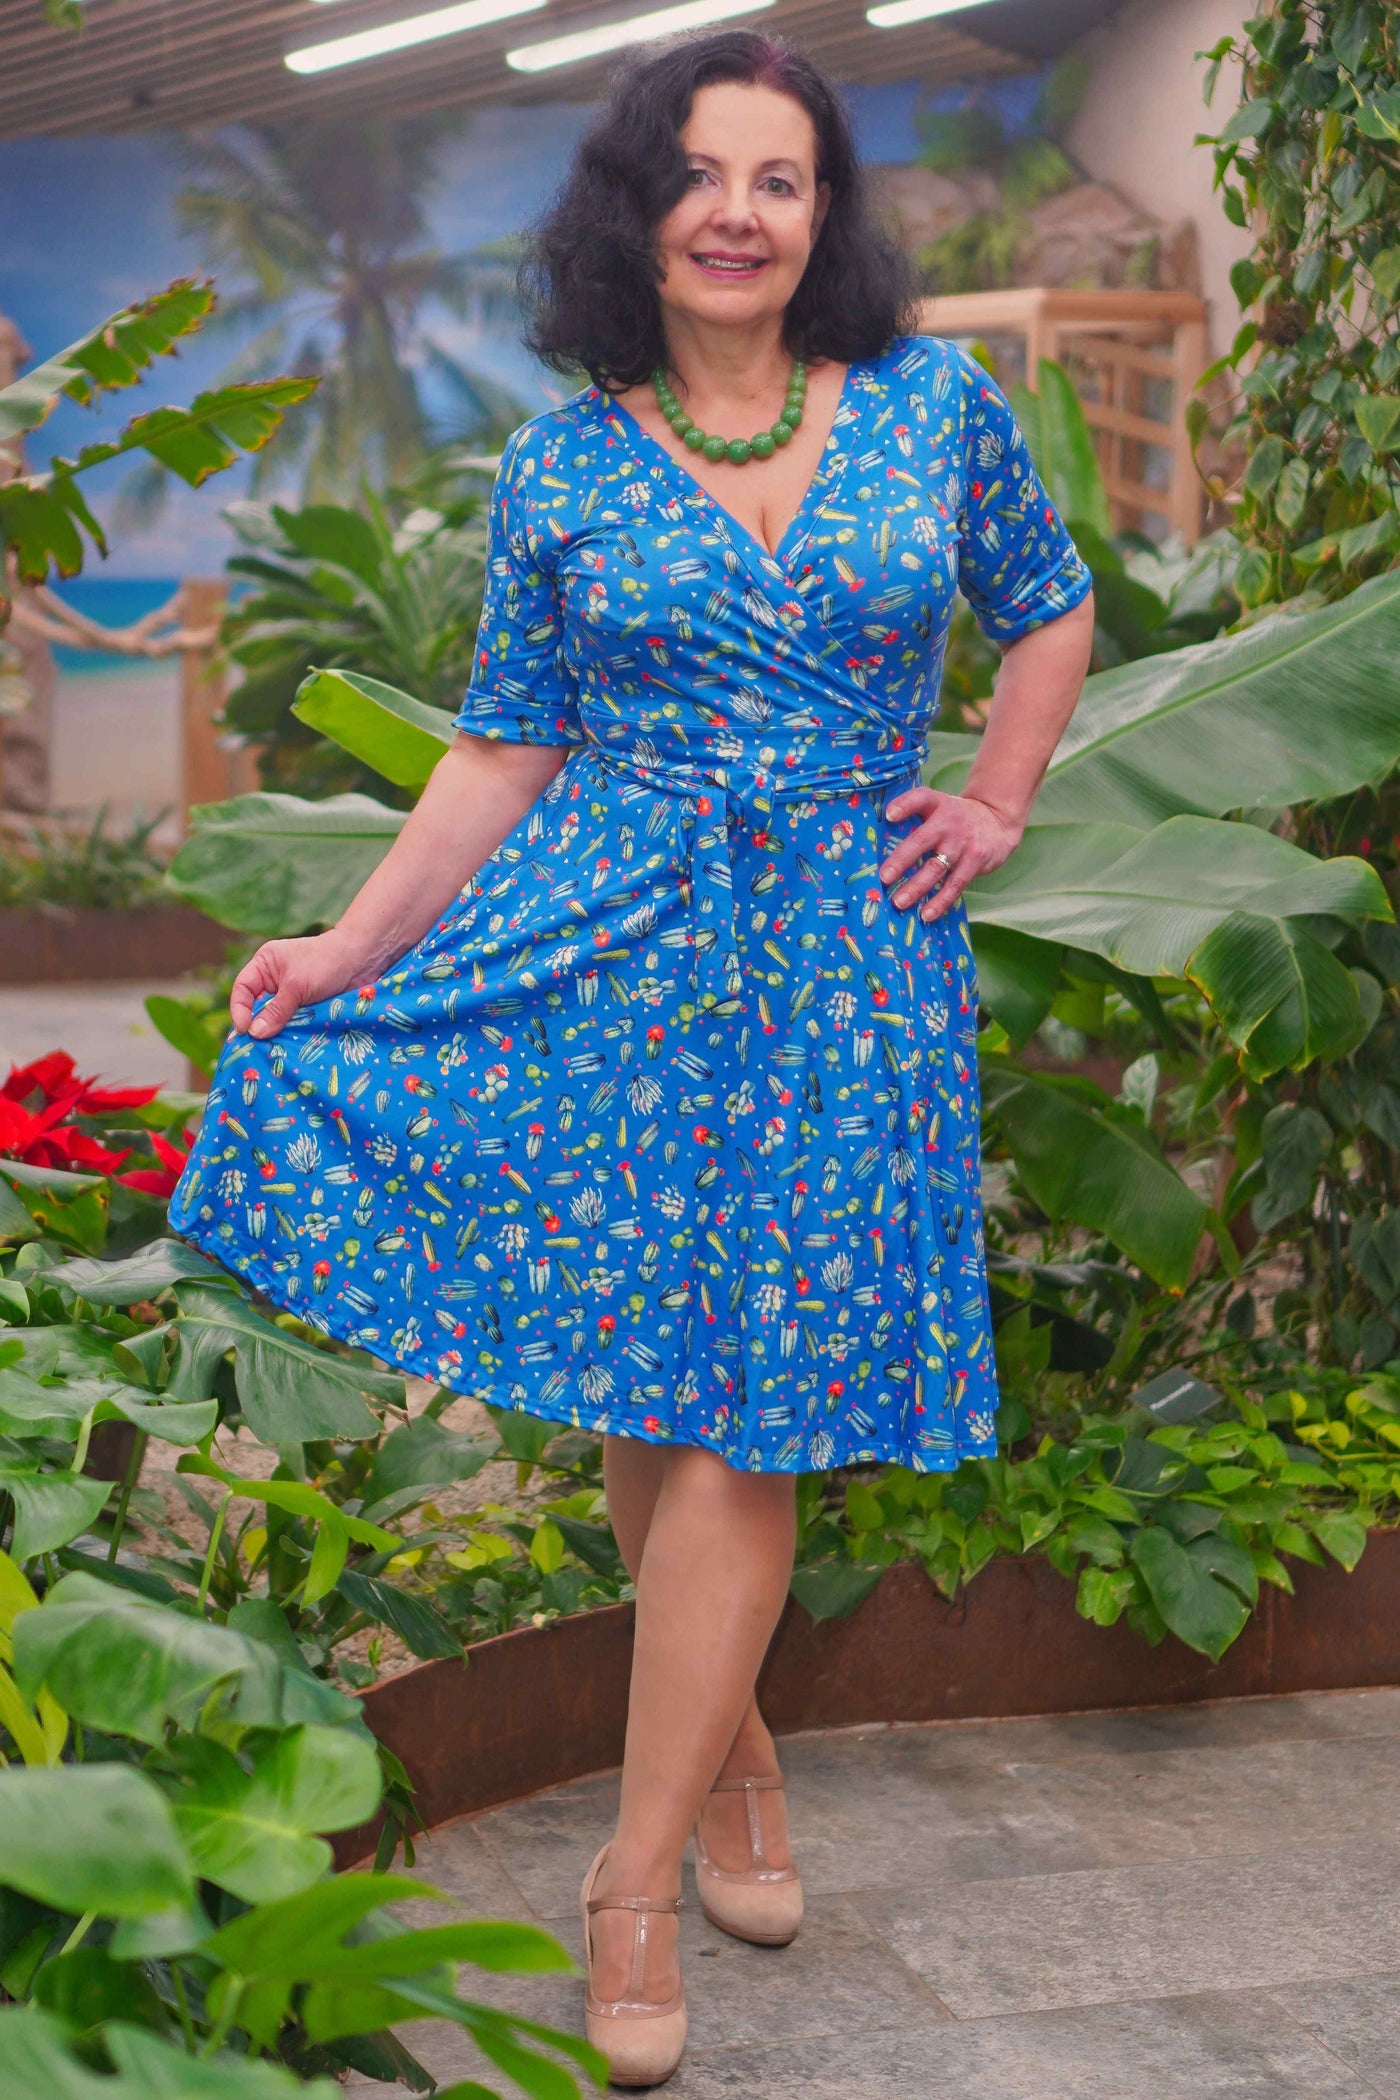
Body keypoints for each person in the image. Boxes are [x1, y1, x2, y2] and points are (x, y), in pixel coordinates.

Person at [168, 26, 1094, 2088]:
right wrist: (342, 945)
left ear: (822, 215)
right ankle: (737, 1760)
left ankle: (634, 1872)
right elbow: (503, 745)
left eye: (779, 178)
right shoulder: (564, 466)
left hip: (853, 971)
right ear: (634, 208)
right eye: (698, 173)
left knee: (749, 1422)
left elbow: (1048, 608)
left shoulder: (937, 407)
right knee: (640, 1383)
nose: (738, 212)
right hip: (616, 948)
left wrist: (1002, 800)